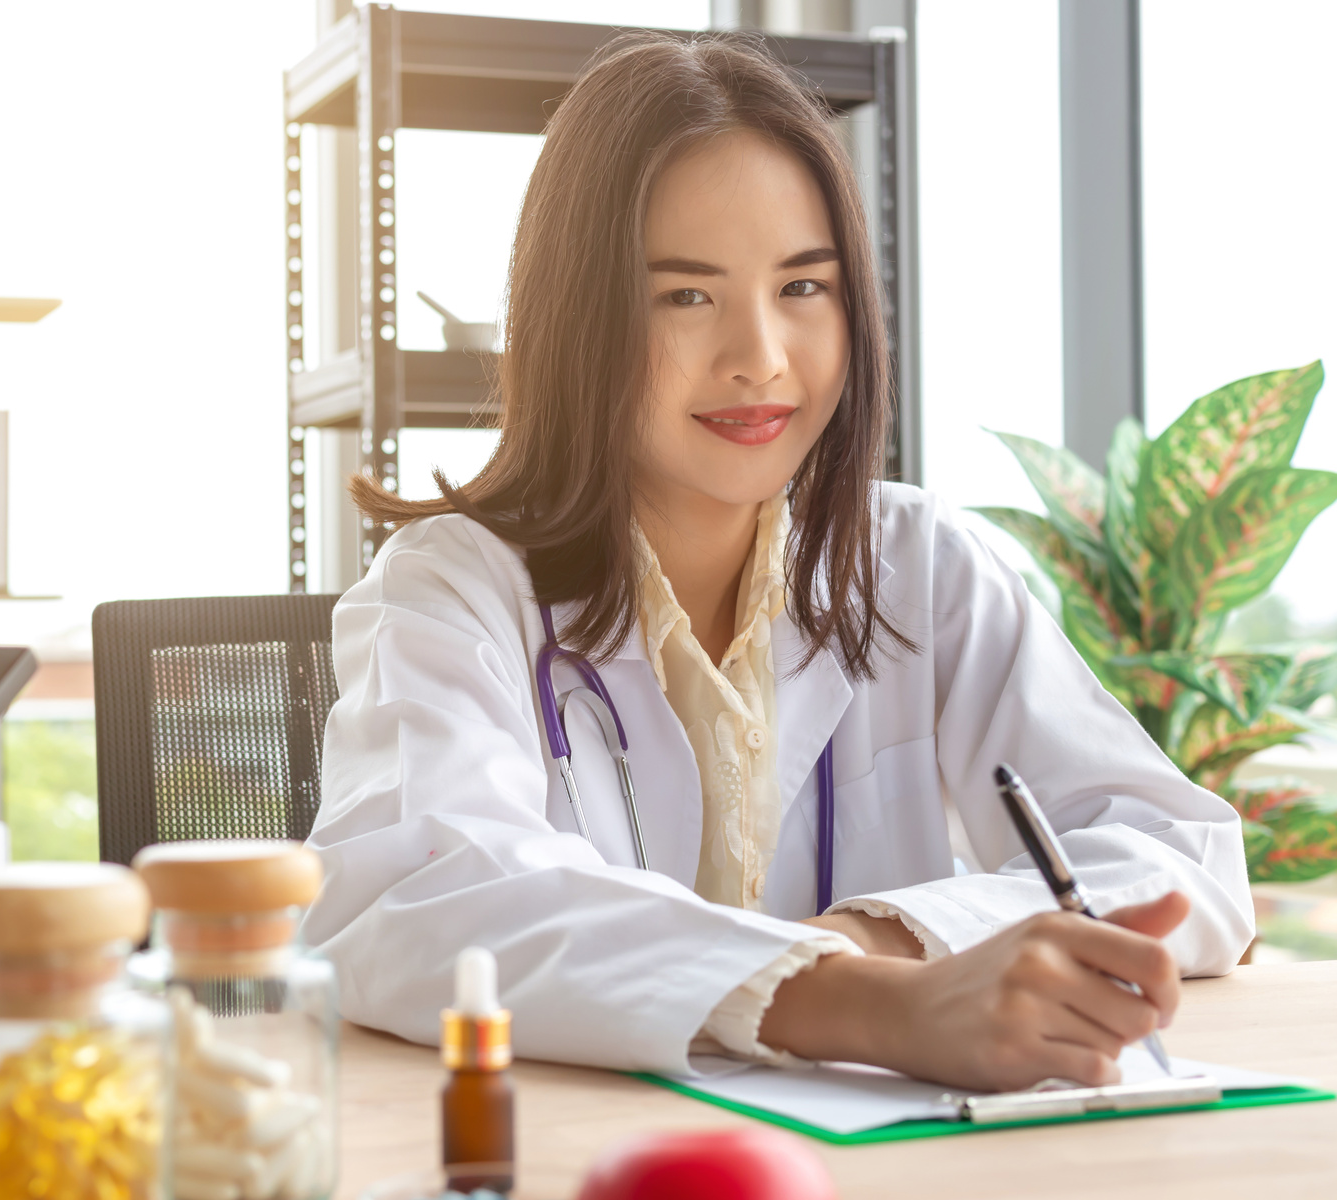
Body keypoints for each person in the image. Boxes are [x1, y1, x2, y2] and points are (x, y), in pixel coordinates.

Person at [300, 31, 1252, 1092]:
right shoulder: (450, 593)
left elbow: (1184, 858)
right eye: (685, 296)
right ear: (578, 316)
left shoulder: (917, 566)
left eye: (804, 287)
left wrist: (884, 941)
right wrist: (857, 1003)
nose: (759, 356)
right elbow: (421, 903)